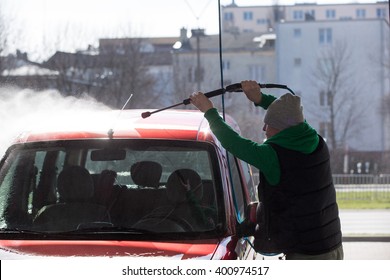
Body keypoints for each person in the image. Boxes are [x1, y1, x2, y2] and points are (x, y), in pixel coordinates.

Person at [189, 80, 343, 260]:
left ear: (281, 129)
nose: (264, 128)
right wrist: (260, 98)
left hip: (307, 253)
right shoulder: (313, 139)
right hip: (332, 243)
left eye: (268, 124)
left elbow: (234, 143)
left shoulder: (273, 156)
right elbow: (291, 115)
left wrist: (210, 112)